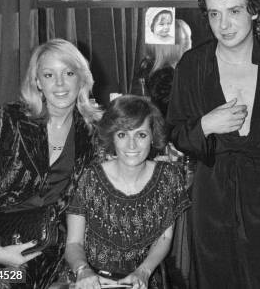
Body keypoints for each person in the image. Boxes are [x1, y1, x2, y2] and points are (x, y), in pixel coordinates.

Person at [166, 0, 260, 288]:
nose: (224, 24)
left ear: (253, 11)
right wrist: (205, 125)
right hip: (212, 196)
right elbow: (175, 133)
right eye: (214, 14)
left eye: (233, 11)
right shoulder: (193, 64)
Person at [0, 38, 101, 288]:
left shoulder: (91, 132)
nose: (59, 83)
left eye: (68, 73)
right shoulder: (12, 119)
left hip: (50, 249)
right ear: (37, 82)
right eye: (48, 74)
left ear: (81, 79)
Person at [64, 94, 189, 289]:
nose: (132, 145)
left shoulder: (168, 177)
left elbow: (164, 237)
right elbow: (73, 243)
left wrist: (144, 271)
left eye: (141, 135)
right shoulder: (89, 178)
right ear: (112, 137)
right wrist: (83, 270)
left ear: (153, 137)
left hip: (142, 279)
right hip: (91, 280)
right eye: (122, 135)